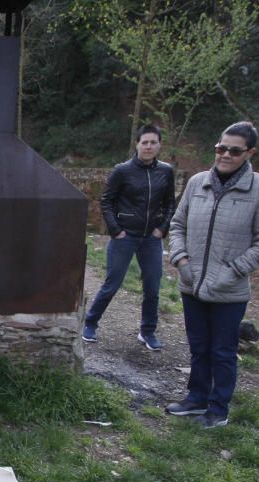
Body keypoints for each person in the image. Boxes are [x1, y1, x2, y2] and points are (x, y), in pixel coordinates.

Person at [165, 121, 259, 428]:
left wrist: (234, 270)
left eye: (234, 150)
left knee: (222, 351)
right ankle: (196, 398)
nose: (225, 154)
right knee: (198, 346)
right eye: (221, 148)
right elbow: (178, 225)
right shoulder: (197, 182)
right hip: (192, 283)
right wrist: (181, 260)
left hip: (229, 289)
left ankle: (218, 409)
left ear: (249, 153)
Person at [83, 124, 176, 351]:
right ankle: (90, 322)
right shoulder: (122, 171)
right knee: (112, 283)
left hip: (151, 238)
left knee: (153, 286)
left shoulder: (166, 171)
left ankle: (147, 331)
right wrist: (116, 230)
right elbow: (106, 201)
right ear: (137, 144)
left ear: (159, 145)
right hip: (125, 236)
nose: (149, 146)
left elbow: (170, 204)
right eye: (144, 142)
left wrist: (162, 229)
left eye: (153, 142)